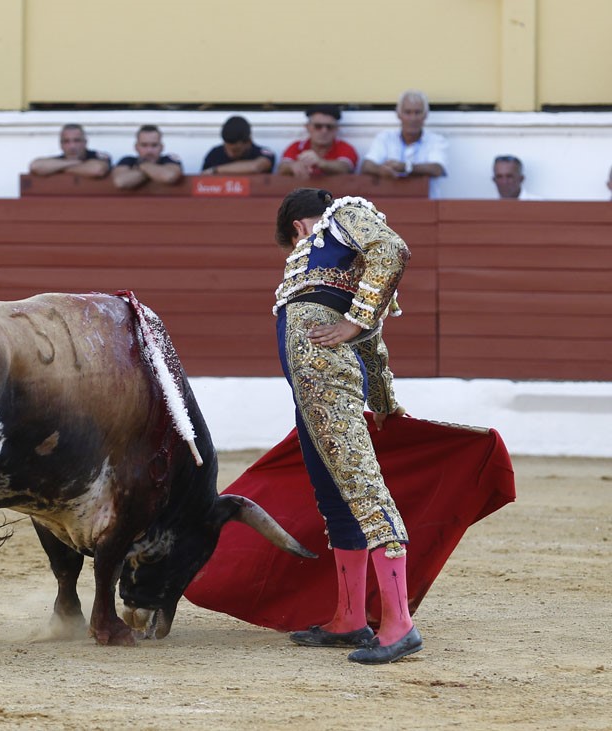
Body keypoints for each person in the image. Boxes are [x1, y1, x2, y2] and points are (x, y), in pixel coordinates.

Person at [272, 187, 421, 665]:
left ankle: (399, 625)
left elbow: (392, 249)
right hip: (308, 386)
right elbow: (373, 346)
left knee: (361, 487)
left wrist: (354, 322)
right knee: (335, 499)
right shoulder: (334, 269)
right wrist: (382, 400)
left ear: (296, 228)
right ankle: (350, 619)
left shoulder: (342, 217)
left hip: (323, 375)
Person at [361, 90, 448, 197]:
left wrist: (405, 167)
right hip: (389, 202)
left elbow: (437, 169)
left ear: (425, 115)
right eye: (408, 112)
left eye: (417, 112)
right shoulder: (385, 138)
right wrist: (381, 170)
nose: (413, 118)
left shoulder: (436, 140)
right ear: (399, 114)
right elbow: (367, 165)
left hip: (427, 206)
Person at [277, 105, 358, 179]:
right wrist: (292, 166)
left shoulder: (345, 148)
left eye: (329, 127)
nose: (324, 131)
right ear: (307, 127)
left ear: (336, 129)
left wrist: (320, 163)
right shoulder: (297, 146)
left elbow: (344, 168)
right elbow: (281, 167)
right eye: (318, 126)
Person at [111, 125, 183, 190]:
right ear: (136, 147)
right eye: (144, 145)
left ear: (162, 147)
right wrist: (155, 172)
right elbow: (120, 182)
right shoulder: (128, 160)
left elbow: (169, 177)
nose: (149, 150)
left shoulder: (169, 159)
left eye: (154, 145)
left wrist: (142, 166)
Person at [28, 124, 111, 178]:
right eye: (66, 141)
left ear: (85, 142)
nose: (72, 146)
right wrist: (76, 163)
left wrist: (57, 169)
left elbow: (98, 170)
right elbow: (35, 166)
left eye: (77, 141)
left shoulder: (97, 156)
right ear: (61, 145)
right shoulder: (59, 160)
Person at [201, 115, 276, 175]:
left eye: (236, 150)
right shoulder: (215, 154)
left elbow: (256, 167)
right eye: (226, 149)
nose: (230, 154)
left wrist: (216, 170)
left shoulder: (263, 153)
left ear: (248, 142)